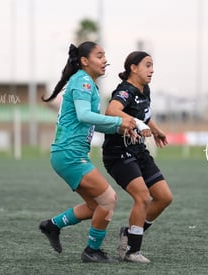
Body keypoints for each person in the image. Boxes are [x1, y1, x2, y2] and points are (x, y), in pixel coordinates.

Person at [38, 41, 136, 263]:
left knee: (95, 206)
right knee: (108, 200)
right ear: (84, 61)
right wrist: (118, 121)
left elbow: (92, 123)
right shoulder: (83, 81)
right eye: (99, 56)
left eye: (104, 56)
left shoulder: (87, 83)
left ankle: (52, 225)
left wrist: (120, 127)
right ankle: (92, 251)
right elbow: (84, 115)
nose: (105, 61)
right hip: (70, 154)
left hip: (67, 154)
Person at [102, 51, 173, 263]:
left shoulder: (145, 90)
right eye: (148, 65)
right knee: (142, 197)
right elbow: (111, 111)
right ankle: (132, 250)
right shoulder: (125, 91)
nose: (152, 70)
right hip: (118, 154)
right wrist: (139, 124)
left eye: (152, 65)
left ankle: (129, 232)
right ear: (133, 68)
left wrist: (156, 129)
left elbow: (145, 115)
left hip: (138, 151)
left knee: (164, 198)